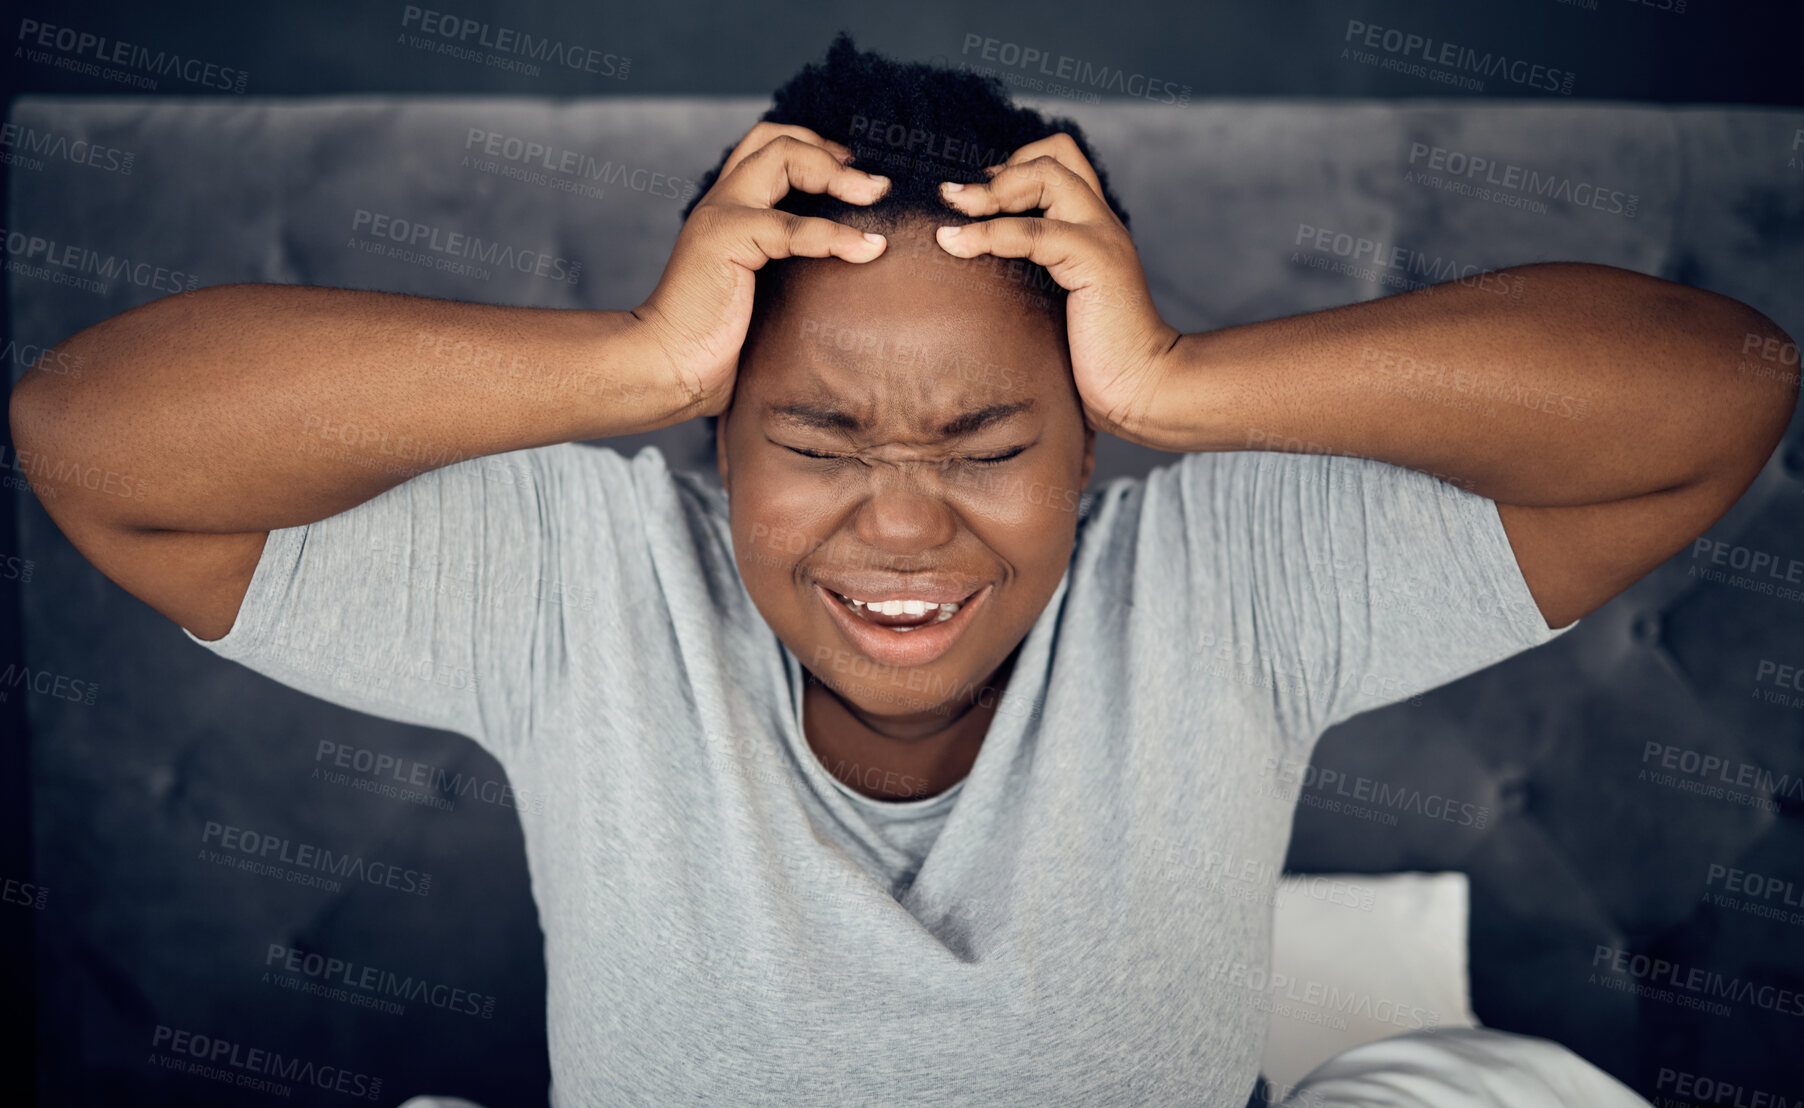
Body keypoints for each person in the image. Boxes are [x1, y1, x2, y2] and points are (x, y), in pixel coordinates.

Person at [9, 31, 1792, 1108]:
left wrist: (1188, 380)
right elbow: (92, 441)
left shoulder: (1226, 578)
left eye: (996, 444)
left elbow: (1719, 392)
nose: (904, 529)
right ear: (715, 434)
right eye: (815, 441)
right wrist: (631, 358)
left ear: (1091, 441)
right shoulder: (584, 580)